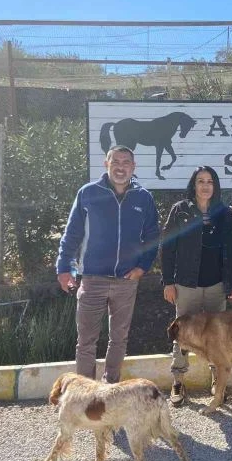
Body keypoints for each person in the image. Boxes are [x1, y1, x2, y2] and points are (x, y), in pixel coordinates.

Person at [56, 145, 159, 384]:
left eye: (126, 163)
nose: (120, 167)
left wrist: (142, 268)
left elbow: (153, 236)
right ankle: (84, 394)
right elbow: (71, 234)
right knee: (86, 342)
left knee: (119, 339)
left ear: (133, 167)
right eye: (116, 162)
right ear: (106, 164)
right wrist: (64, 268)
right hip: (92, 280)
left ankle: (110, 387)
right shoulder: (88, 193)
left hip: (126, 281)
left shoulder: (143, 198)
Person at [161, 165, 232, 406]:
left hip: (216, 286)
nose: (205, 186)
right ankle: (178, 382)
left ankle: (218, 382)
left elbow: (231, 252)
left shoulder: (224, 214)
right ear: (193, 185)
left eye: (210, 181)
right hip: (186, 285)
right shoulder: (180, 210)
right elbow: (167, 247)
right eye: (200, 181)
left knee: (218, 338)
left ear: (215, 186)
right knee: (181, 335)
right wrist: (168, 281)